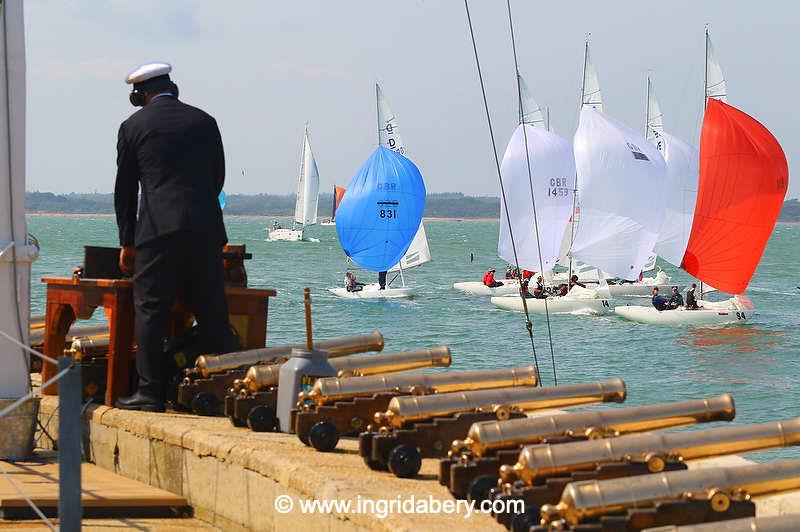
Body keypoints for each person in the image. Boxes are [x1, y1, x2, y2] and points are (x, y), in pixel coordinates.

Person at [113, 62, 236, 412]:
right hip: (205, 230)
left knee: (150, 310)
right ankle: (221, 389)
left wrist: (127, 241)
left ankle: (149, 394)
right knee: (213, 312)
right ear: (172, 86)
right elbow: (217, 178)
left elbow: (125, 191)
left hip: (158, 232)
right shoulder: (205, 121)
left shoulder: (132, 126)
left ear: (139, 95)